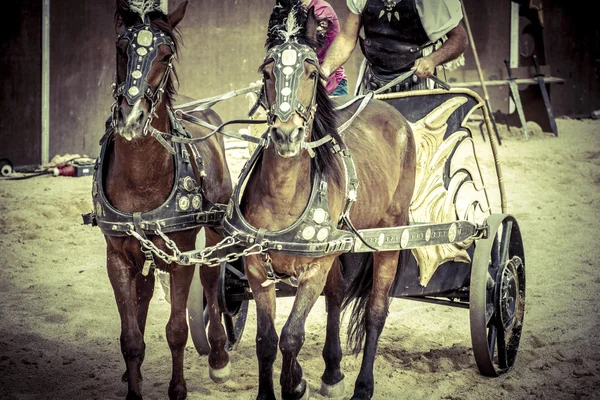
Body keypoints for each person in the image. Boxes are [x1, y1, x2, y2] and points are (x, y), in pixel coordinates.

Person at [320, 0, 468, 94]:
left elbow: (459, 38)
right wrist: (325, 70)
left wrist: (432, 60)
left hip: (417, 82)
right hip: (372, 79)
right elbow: (347, 37)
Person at [302, 0, 349, 96]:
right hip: (303, 84)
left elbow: (311, 48)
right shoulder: (288, 10)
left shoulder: (321, 10)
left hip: (330, 85)